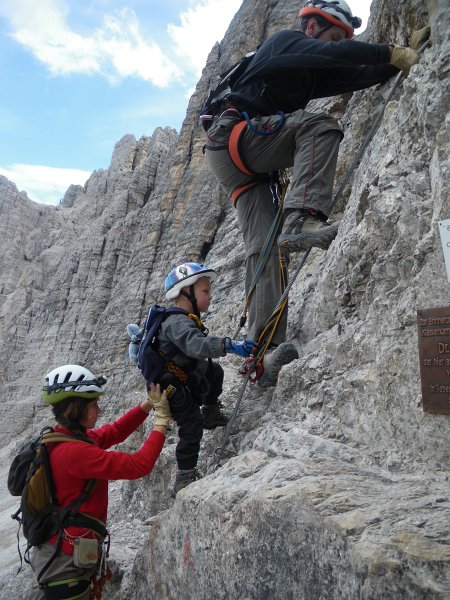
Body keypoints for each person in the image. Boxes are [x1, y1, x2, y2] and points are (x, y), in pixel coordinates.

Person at [203, 0, 428, 370]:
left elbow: (353, 72)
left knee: (265, 248)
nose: (336, 44)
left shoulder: (307, 70)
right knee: (320, 126)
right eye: (334, 35)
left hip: (233, 159)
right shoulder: (285, 41)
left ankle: (261, 351)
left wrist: (392, 62)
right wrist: (392, 50)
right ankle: (302, 220)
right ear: (312, 28)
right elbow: (334, 55)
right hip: (236, 136)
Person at [31, 364, 171, 600]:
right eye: (93, 404)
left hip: (59, 555)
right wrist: (161, 422)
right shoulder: (74, 452)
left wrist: (147, 406)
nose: (99, 408)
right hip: (67, 571)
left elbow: (112, 432)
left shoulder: (63, 437)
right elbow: (139, 465)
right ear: (75, 408)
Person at [156, 262, 254, 496]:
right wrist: (227, 344)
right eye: (205, 291)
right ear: (186, 292)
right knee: (191, 423)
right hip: (170, 385)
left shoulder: (184, 318)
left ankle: (210, 412)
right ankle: (184, 475)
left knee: (216, 372)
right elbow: (195, 344)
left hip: (181, 374)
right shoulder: (177, 322)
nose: (210, 296)